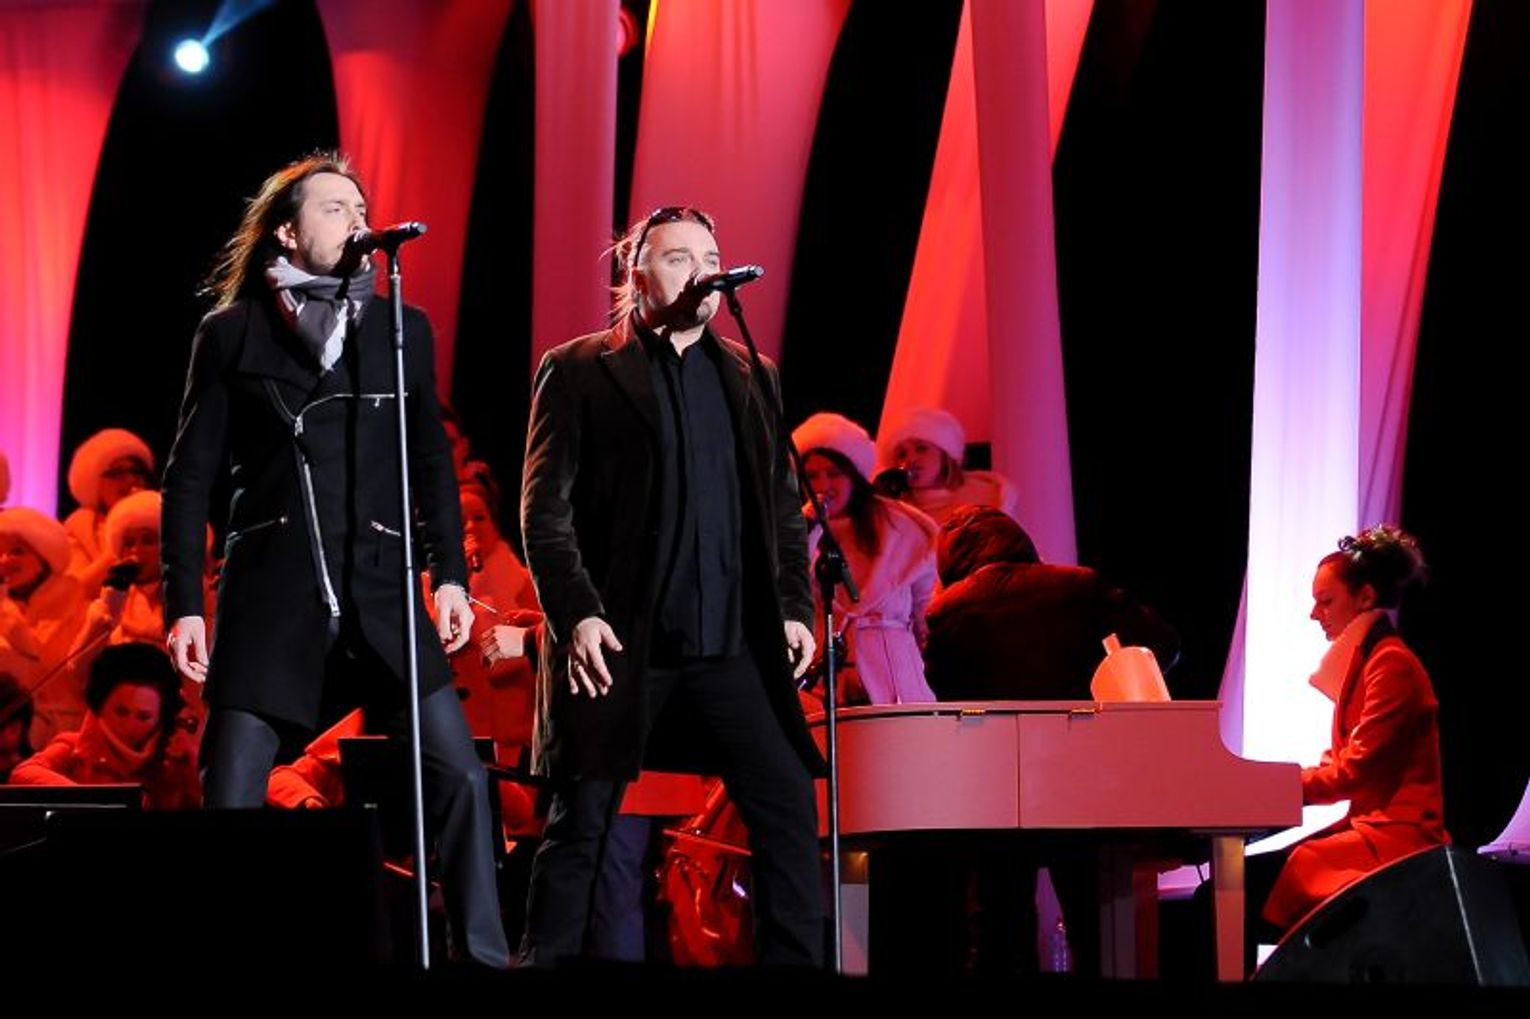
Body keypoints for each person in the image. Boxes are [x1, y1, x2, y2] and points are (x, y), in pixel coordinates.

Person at [159, 151, 509, 967]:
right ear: (288, 232)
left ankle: (485, 957)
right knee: (232, 786)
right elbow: (189, 477)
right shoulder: (233, 332)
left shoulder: (400, 328)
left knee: (460, 777)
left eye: (361, 207)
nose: (356, 219)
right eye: (334, 207)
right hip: (274, 593)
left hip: (381, 591)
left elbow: (432, 462)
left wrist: (451, 574)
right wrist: (184, 603)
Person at [517, 205, 824, 968]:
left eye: (710, 258)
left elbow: (782, 509)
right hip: (624, 642)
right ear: (636, 273)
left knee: (788, 806)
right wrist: (577, 613)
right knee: (582, 824)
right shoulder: (580, 369)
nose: (702, 273)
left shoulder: (751, 375)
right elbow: (543, 511)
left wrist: (794, 607)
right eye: (680, 258)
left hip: (730, 644)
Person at [911, 504, 1181, 977]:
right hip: (1084, 775)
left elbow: (945, 691)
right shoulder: (1080, 585)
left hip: (997, 783)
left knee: (999, 921)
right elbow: (1163, 644)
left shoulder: (946, 609)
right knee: (1093, 921)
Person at [1259, 524, 1448, 934]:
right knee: (1250, 881)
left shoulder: (1390, 665)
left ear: (1365, 597)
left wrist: (1274, 787)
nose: (1314, 614)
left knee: (1259, 884)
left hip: (1399, 838)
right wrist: (1274, 783)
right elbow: (1341, 761)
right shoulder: (1370, 662)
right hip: (1373, 831)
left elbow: (1353, 771)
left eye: (1325, 601)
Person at [793, 411, 937, 706]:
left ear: (854, 476)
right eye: (812, 476)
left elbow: (926, 606)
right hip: (825, 681)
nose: (823, 484)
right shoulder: (797, 531)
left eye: (834, 473)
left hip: (893, 675)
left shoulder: (903, 527)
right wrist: (804, 531)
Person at [10, 642, 200, 810]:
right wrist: (88, 799)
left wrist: (189, 766)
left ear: (161, 718)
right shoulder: (75, 747)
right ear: (100, 706)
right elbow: (23, 773)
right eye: (121, 712)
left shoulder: (169, 758)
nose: (129, 726)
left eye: (144, 717)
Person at [0, 508, 87, 745]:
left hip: (59, 730)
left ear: (44, 557)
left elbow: (50, 663)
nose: (4, 560)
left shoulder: (74, 602)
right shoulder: (7, 603)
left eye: (17, 551)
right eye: (0, 552)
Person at [877, 406, 1019, 527]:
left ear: (945, 454)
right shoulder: (896, 513)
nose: (910, 459)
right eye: (901, 454)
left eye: (921, 448)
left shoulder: (990, 498)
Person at [62, 428, 155, 592]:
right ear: (94, 483)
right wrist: (118, 545)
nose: (131, 479)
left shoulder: (161, 516)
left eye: (136, 471)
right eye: (117, 473)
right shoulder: (80, 526)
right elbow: (75, 591)